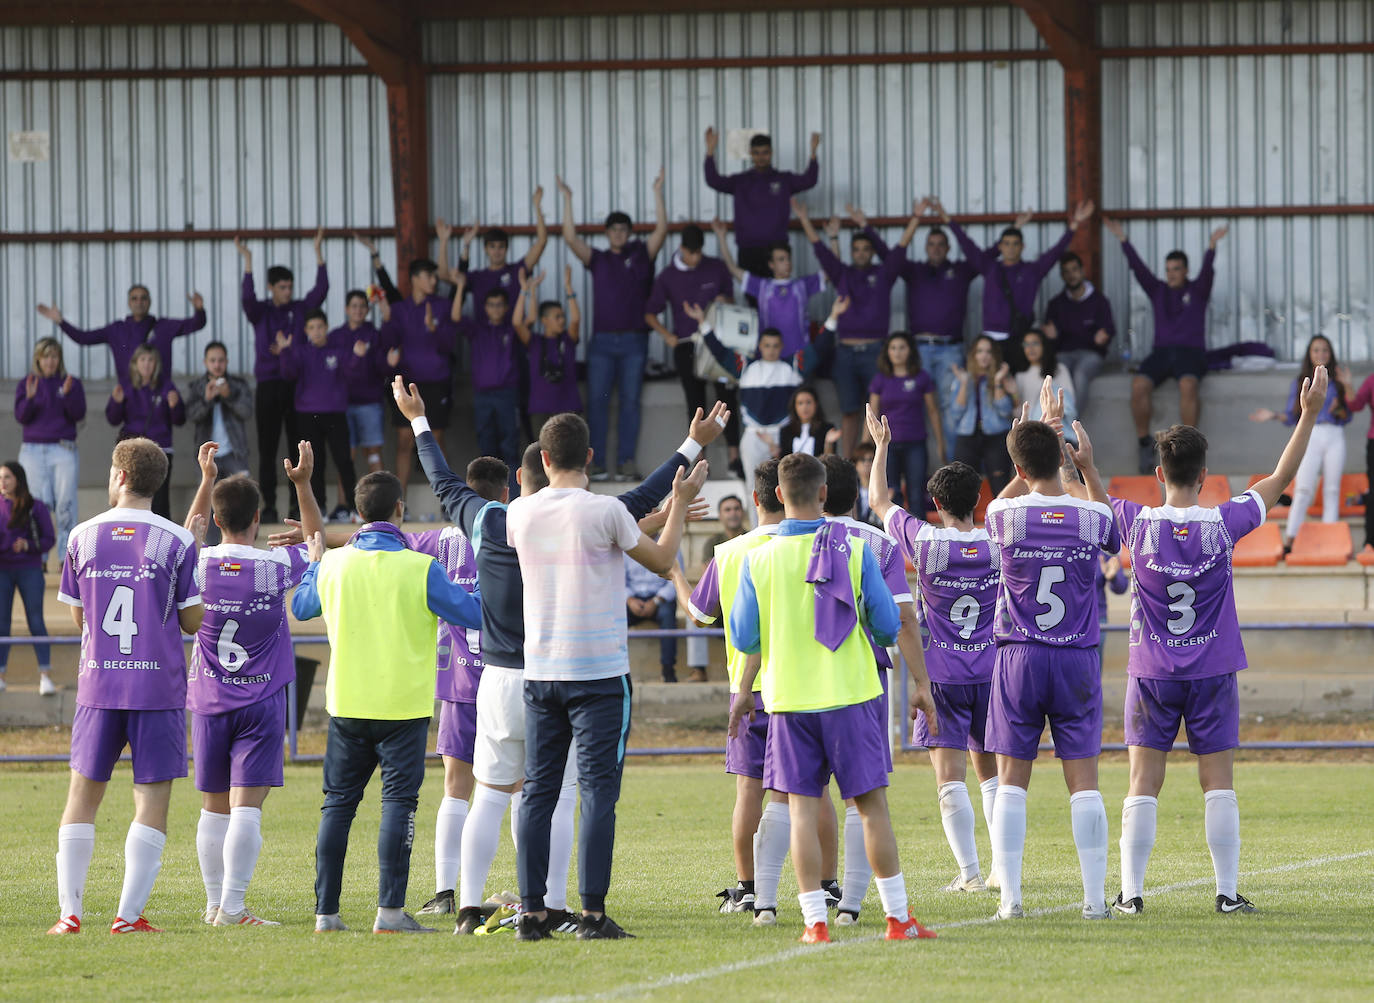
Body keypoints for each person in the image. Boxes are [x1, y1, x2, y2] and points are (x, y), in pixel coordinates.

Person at [394, 379, 730, 936]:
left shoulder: (506, 519)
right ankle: (569, 906)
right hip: (585, 669)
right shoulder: (599, 511)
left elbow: (443, 481)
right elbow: (639, 505)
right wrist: (690, 450)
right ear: (590, 457)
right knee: (578, 794)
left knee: (494, 796)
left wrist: (419, 422)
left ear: (535, 468)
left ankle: (486, 905)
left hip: (509, 675)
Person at [1084, 368, 1329, 916]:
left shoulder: (1137, 523)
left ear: (1157, 473)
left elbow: (1094, 500)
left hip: (1151, 671)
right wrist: (1309, 412)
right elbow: (1281, 478)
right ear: (1205, 474)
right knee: (1217, 779)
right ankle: (1224, 893)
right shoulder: (1223, 522)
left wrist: (1084, 462)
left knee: (1142, 780)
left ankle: (1132, 895)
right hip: (1212, 667)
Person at [506, 412, 707, 941]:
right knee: (597, 793)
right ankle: (591, 914)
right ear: (590, 457)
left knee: (538, 792)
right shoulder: (606, 510)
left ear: (543, 459)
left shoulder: (518, 514)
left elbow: (593, 533)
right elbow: (663, 557)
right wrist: (681, 504)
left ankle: (532, 913)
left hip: (541, 671)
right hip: (597, 674)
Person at [727, 452, 937, 944]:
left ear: (778, 496)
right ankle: (897, 918)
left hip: (789, 701)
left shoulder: (758, 558)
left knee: (800, 809)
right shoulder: (856, 548)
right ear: (825, 493)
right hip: (851, 695)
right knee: (870, 808)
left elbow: (744, 636)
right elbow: (888, 626)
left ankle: (814, 923)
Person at [291, 470, 483, 934]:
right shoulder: (420, 567)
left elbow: (300, 608)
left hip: (347, 704)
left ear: (358, 514)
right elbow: (474, 613)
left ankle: (326, 915)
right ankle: (390, 913)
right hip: (404, 707)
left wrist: (315, 563)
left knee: (337, 806)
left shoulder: (335, 565)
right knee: (399, 804)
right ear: (400, 509)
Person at [48, 437, 204, 935]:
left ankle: (69, 914)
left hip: (100, 684)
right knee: (151, 801)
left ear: (117, 476)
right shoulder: (177, 541)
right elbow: (192, 622)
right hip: (156, 688)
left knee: (82, 797)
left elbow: (78, 616)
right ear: (158, 484)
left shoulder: (81, 535)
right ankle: (127, 916)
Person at [982, 382, 1119, 921]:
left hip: (1019, 656)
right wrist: (1086, 469)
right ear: (1066, 460)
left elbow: (1014, 491)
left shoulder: (1005, 514)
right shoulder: (1090, 517)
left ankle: (1011, 900)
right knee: (1083, 782)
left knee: (1012, 782)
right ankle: (1093, 902)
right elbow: (1111, 532)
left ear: (1016, 462)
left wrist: (1036, 443)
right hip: (1077, 657)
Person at [185, 439, 322, 926]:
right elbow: (317, 545)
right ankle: (235, 907)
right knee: (247, 807)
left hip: (207, 696)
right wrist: (303, 486)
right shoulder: (276, 565)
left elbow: (188, 538)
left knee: (213, 806)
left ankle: (211, 904)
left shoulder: (197, 564)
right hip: (262, 697)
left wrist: (205, 480)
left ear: (217, 520)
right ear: (259, 517)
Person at [865, 410, 1001, 893]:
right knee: (992, 774)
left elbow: (878, 500)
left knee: (949, 778)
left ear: (935, 502)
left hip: (941, 673)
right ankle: (1002, 869)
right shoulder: (996, 540)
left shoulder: (924, 541)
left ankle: (969, 873)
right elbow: (1015, 500)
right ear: (979, 499)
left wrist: (881, 445)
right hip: (991, 670)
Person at [678, 460, 795, 920]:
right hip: (799, 685)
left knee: (749, 790)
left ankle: (748, 889)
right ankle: (826, 885)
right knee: (811, 791)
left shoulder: (730, 552)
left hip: (747, 689)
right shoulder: (812, 544)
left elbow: (701, 615)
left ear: (755, 499)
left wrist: (673, 574)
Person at [558, 172, 668, 477]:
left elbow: (661, 229)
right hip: (602, 343)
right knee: (596, 403)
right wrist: (567, 199)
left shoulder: (642, 254)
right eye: (614, 230)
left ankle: (625, 462)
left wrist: (657, 192)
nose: (618, 234)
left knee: (630, 403)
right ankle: (594, 465)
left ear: (629, 233)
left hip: (635, 341)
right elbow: (570, 238)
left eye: (623, 230)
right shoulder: (599, 258)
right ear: (607, 233)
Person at [1103, 217, 1229, 473]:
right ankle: (1143, 442)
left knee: (1187, 384)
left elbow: (1207, 272)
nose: (1171, 273)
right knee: (1139, 385)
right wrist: (1123, 240)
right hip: (1161, 353)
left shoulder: (1198, 290)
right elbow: (1139, 270)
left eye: (1176, 269)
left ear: (1185, 271)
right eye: (1168, 269)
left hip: (1191, 353)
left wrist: (1212, 247)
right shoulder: (1158, 290)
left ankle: (1190, 446)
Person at [851, 199, 979, 449]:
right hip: (916, 350)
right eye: (931, 244)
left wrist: (948, 221)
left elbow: (978, 256)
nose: (936, 248)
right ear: (925, 247)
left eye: (941, 244)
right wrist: (866, 227)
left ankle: (952, 468)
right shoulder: (914, 270)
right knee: (911, 406)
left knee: (950, 408)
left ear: (948, 247)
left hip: (950, 349)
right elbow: (891, 256)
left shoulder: (961, 270)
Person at [797, 199, 920, 456]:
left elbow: (901, 247)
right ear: (851, 252)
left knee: (876, 411)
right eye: (857, 249)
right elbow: (820, 248)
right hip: (845, 353)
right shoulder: (843, 274)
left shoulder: (884, 273)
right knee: (850, 411)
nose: (862, 253)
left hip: (876, 351)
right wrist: (805, 220)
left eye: (866, 248)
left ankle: (873, 462)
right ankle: (848, 463)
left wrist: (916, 218)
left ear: (872, 251)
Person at [693, 297, 835, 506]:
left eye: (775, 346)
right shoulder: (746, 367)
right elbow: (720, 352)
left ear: (781, 347)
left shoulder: (793, 367)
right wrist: (703, 323)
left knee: (787, 486)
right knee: (755, 488)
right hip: (753, 435)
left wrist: (834, 317)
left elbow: (819, 348)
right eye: (767, 345)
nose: (771, 349)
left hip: (783, 433)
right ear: (760, 346)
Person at [235, 228, 328, 522]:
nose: (288, 291)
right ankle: (270, 505)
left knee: (296, 446)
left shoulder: (300, 310)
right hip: (267, 386)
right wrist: (247, 261)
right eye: (283, 287)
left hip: (295, 385)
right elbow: (247, 297)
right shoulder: (260, 311)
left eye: (290, 286)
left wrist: (318, 254)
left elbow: (320, 292)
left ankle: (295, 505)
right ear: (272, 288)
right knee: (268, 448)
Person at [942, 198, 1094, 373]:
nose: (1011, 248)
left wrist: (1075, 223)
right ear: (1000, 247)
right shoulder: (990, 268)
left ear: (1022, 246)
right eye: (1006, 244)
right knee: (991, 388)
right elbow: (967, 245)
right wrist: (947, 219)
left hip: (1019, 340)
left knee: (1019, 388)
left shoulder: (1032, 271)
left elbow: (1056, 251)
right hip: (991, 341)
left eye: (1015, 244)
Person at [645, 224, 742, 481]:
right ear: (681, 249)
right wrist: (667, 336)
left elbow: (731, 300)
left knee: (726, 398)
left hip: (717, 343)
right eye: (691, 252)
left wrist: (723, 303)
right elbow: (650, 313)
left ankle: (734, 457)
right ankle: (699, 460)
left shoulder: (716, 267)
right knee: (695, 402)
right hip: (687, 343)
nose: (696, 257)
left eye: (699, 251)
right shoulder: (667, 276)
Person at [1248, 334, 1353, 547]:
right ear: (1309, 354)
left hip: (1333, 433)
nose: (1321, 354)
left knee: (1332, 489)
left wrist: (1342, 402)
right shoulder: (1301, 381)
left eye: (1325, 350)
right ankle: (1291, 540)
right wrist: (1274, 415)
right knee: (1303, 488)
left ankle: (1329, 540)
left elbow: (1348, 415)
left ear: (1330, 353)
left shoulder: (1339, 380)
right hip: (1310, 434)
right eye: (1316, 350)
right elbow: (1293, 414)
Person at [382, 257, 458, 493]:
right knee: (404, 441)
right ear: (414, 279)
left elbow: (451, 345)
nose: (434, 281)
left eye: (435, 276)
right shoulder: (399, 310)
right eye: (429, 276)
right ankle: (399, 503)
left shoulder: (443, 305)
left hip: (436, 382)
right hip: (406, 382)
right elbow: (389, 341)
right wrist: (386, 320)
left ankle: (447, 502)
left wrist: (434, 329)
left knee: (436, 439)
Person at [704, 128, 821, 277]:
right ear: (751, 154)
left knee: (778, 295)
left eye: (765, 152)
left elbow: (809, 180)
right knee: (752, 298)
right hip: (748, 249)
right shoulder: (740, 181)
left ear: (771, 153)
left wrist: (813, 153)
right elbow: (713, 180)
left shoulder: (783, 180)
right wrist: (710, 151)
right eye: (756, 153)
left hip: (777, 249)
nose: (761, 157)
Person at [39, 285, 205, 386]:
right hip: (129, 398)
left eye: (143, 298)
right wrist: (60, 321)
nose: (139, 302)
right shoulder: (116, 329)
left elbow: (197, 324)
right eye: (134, 298)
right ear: (129, 302)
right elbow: (83, 338)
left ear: (149, 301)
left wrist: (199, 310)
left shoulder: (163, 326)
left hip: (158, 399)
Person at [279, 310, 358, 520]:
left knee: (344, 460)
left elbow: (352, 372)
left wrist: (357, 356)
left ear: (326, 328)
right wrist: (285, 351)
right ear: (306, 331)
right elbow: (288, 374)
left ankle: (355, 508)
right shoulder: (301, 352)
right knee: (315, 463)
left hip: (335, 413)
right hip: (307, 414)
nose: (316, 332)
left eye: (320, 327)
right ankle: (319, 509)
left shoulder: (338, 352)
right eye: (312, 328)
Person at [711, 219, 825, 357]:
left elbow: (833, 271)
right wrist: (722, 237)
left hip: (799, 360)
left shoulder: (802, 285)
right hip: (768, 360)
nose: (787, 263)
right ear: (771, 264)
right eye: (781, 259)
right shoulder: (762, 286)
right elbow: (733, 269)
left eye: (788, 258)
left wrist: (833, 238)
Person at [14, 337, 84, 558]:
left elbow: (78, 414)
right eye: (46, 356)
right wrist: (31, 398)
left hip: (63, 449)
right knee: (35, 505)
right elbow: (21, 416)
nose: (50, 361)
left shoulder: (70, 383)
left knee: (65, 504)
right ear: (38, 359)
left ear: (59, 358)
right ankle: (39, 556)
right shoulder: (28, 383)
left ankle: (66, 557)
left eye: (54, 356)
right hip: (33, 451)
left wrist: (64, 395)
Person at [105, 346, 185, 519]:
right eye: (143, 360)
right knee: (131, 495)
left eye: (151, 360)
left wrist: (175, 406)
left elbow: (180, 419)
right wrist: (116, 403)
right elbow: (113, 419)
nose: (147, 365)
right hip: (132, 451)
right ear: (135, 363)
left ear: (156, 364)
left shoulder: (166, 386)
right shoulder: (126, 386)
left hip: (160, 449)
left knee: (160, 500)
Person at [867, 331, 945, 509]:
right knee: (891, 493)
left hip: (915, 443)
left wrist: (941, 442)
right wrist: (867, 443)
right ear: (887, 352)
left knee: (916, 493)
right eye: (893, 348)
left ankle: (918, 537)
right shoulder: (880, 379)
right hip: (888, 445)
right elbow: (871, 414)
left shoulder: (921, 377)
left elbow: (933, 411)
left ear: (910, 350)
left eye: (902, 347)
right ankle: (893, 536)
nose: (897, 352)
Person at [0, 461, 56, 695]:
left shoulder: (36, 506)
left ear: (18, 479)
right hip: (2, 571)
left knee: (36, 621)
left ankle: (45, 676)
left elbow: (49, 539)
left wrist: (29, 545)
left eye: (7, 477)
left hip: (30, 570)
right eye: (0, 478)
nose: (2, 482)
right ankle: (1, 676)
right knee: (2, 624)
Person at [453, 194, 549, 324]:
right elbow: (443, 274)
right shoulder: (477, 277)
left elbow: (541, 242)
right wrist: (466, 245)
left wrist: (537, 206)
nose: (497, 251)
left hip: (515, 338)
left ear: (507, 249)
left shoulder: (517, 271)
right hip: (484, 339)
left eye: (501, 247)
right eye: (492, 247)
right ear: (485, 249)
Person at [1042, 251, 1116, 411]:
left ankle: (1072, 424)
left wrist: (1104, 336)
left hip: (1091, 354)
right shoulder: (1056, 303)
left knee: (1080, 374)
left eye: (1074, 270)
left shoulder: (1099, 301)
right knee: (1057, 372)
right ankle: (1054, 420)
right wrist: (1051, 337)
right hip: (1063, 354)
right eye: (1066, 272)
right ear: (1062, 275)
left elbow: (1110, 329)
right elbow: (1048, 336)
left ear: (1082, 271)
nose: (1071, 275)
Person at [514, 267, 583, 435]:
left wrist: (568, 288)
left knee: (570, 456)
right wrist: (524, 290)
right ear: (544, 320)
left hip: (569, 408)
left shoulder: (568, 340)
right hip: (540, 409)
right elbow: (517, 323)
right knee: (540, 456)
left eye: (562, 316)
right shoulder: (535, 341)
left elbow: (576, 320)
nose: (562, 320)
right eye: (557, 317)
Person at [949, 335, 1018, 494]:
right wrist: (965, 384)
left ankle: (1000, 520)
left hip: (996, 436)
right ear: (973, 355)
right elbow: (955, 413)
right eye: (980, 351)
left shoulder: (1002, 378)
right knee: (963, 489)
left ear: (994, 355)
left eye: (988, 351)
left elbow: (1004, 410)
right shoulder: (962, 379)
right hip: (967, 436)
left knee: (1000, 487)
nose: (984, 355)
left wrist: (998, 382)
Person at [337, 289, 394, 481]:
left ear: (368, 310)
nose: (358, 310)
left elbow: (382, 366)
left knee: (374, 453)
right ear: (346, 309)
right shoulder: (336, 336)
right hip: (343, 404)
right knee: (346, 456)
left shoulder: (374, 334)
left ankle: (383, 504)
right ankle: (343, 508)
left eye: (362, 306)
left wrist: (390, 363)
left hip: (370, 402)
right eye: (354, 306)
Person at [186, 342, 253, 482]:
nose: (217, 365)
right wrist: (206, 400)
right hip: (207, 455)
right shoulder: (197, 386)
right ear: (205, 362)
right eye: (212, 360)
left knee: (241, 498)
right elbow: (191, 416)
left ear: (227, 361)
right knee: (208, 501)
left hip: (235, 453)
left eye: (221, 360)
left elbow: (246, 412)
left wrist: (229, 396)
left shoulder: (238, 384)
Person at [625, 551, 679, 683]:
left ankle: (668, 670)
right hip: (632, 599)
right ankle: (617, 671)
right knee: (615, 618)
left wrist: (656, 601)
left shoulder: (672, 544)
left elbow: (676, 580)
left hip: (660, 599)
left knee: (668, 616)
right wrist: (630, 600)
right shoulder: (625, 545)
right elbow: (617, 580)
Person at [1015, 329, 1078, 428]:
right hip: (1032, 431)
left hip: (1057, 428)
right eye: (1026, 344)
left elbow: (1069, 402)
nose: (1030, 348)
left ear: (1044, 345)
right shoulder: (1020, 375)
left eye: (1035, 343)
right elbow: (1018, 412)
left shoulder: (1059, 369)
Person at [1348, 370, 1374, 553]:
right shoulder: (1372, 380)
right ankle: (1370, 542)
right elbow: (1355, 405)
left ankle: (1359, 497)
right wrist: (1348, 385)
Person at [778, 385, 841, 459]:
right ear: (795, 406)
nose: (804, 407)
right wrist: (773, 447)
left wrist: (828, 444)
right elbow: (783, 461)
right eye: (800, 403)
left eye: (808, 402)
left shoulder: (826, 428)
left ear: (816, 404)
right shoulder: (786, 430)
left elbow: (830, 463)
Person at [1096, 553, 1130, 675]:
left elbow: (1121, 587)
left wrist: (1112, 577)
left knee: (1092, 674)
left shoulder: (1101, 546)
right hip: (1066, 620)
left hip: (1096, 620)